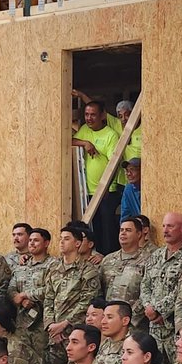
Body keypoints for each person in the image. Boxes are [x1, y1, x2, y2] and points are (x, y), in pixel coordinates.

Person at [41, 225, 102, 364]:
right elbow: (48, 298)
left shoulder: (88, 270)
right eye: (60, 239)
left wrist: (64, 324)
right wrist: (51, 326)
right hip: (54, 334)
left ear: (77, 243)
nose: (61, 242)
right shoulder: (53, 268)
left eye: (66, 239)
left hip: (76, 331)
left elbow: (87, 301)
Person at [139, 212, 182, 364]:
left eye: (170, 226)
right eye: (164, 226)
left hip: (175, 328)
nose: (165, 230)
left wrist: (159, 310)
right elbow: (145, 284)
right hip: (154, 329)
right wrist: (149, 308)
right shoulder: (156, 255)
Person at [72, 100, 123, 254]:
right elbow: (67, 141)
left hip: (106, 192)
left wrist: (106, 186)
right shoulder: (84, 131)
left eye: (93, 115)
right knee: (92, 229)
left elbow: (114, 163)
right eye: (87, 114)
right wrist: (85, 143)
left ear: (102, 116)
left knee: (107, 229)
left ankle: (107, 258)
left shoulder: (110, 135)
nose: (89, 118)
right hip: (86, 191)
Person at [8, 228, 57, 364]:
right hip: (21, 323)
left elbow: (51, 288)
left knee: (43, 361)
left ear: (46, 243)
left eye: (36, 240)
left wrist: (26, 295)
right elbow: (11, 288)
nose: (31, 243)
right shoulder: (22, 265)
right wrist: (18, 299)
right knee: (21, 359)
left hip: (42, 323)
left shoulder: (54, 264)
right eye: (30, 240)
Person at [99, 217, 149, 324]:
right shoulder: (108, 260)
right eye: (121, 230)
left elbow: (149, 292)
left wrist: (131, 317)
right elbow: (100, 291)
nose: (123, 233)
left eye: (128, 230)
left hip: (135, 323)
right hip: (109, 322)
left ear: (139, 234)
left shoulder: (149, 260)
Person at [95, 300, 132, 364]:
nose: (103, 321)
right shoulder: (105, 343)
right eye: (103, 317)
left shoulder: (133, 345)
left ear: (125, 321)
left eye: (109, 317)